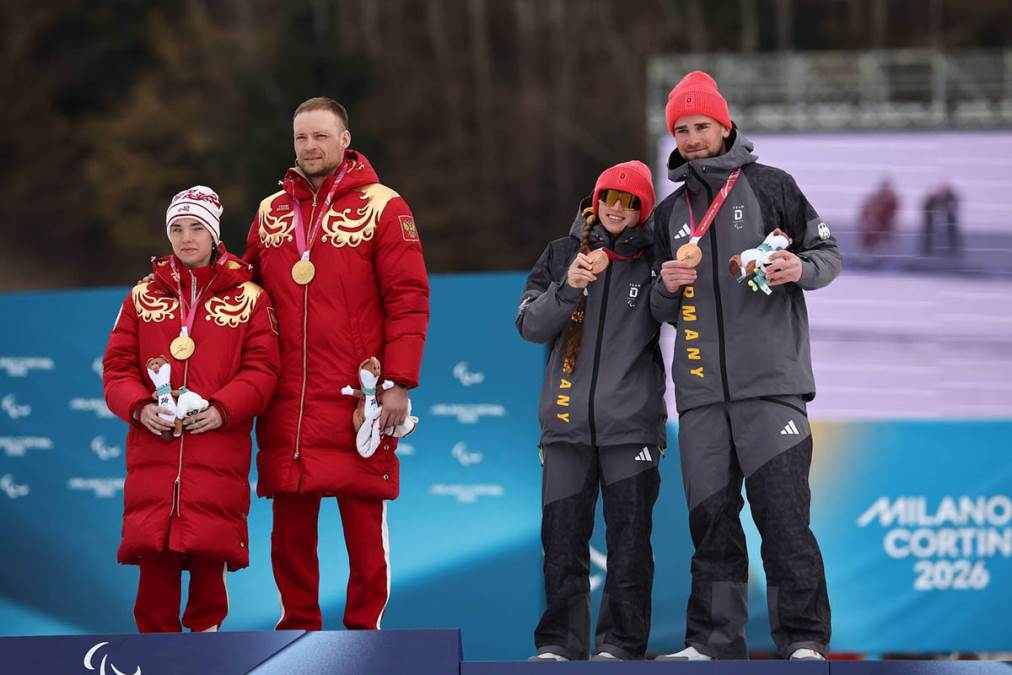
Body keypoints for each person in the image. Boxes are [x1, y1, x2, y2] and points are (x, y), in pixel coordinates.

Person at [649, 71, 841, 661]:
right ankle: (713, 643)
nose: (692, 139)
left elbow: (826, 254)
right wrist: (665, 286)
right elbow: (657, 308)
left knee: (784, 521)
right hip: (702, 397)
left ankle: (803, 640)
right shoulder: (668, 213)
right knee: (711, 525)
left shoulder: (772, 185)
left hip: (771, 389)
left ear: (725, 124)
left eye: (701, 126)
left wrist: (798, 269)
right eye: (681, 130)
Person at [246, 97, 429, 630]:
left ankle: (364, 635)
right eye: (301, 138)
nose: (310, 147)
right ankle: (296, 631)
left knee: (364, 523)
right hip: (288, 397)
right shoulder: (270, 211)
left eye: (320, 136)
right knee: (289, 530)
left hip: (358, 395)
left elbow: (408, 298)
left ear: (345, 140)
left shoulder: (383, 205)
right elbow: (243, 290)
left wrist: (397, 381)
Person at [103, 186, 280, 632]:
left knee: (209, 567)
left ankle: (208, 656)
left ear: (214, 235)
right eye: (177, 228)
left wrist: (222, 409)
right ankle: (153, 659)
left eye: (197, 227)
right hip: (155, 455)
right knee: (154, 574)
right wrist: (139, 407)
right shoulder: (142, 297)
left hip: (216, 451)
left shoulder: (251, 298)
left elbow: (262, 371)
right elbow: (117, 368)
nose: (186, 238)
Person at [517, 161, 666, 662]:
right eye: (609, 198)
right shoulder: (561, 253)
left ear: (643, 209)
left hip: (632, 427)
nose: (616, 209)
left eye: (630, 202)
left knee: (630, 544)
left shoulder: (653, 259)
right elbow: (530, 326)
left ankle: (620, 646)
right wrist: (569, 286)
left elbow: (674, 311)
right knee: (561, 542)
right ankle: (560, 643)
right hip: (565, 427)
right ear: (595, 200)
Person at [921, 183, 961, 256]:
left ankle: (952, 247)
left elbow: (945, 207)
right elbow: (930, 208)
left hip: (946, 219)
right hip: (931, 220)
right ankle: (927, 248)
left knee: (950, 233)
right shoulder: (933, 199)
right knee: (930, 234)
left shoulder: (948, 197)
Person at [859, 179, 898, 251]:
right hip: (876, 223)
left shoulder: (891, 198)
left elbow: (892, 210)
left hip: (883, 222)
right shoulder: (877, 198)